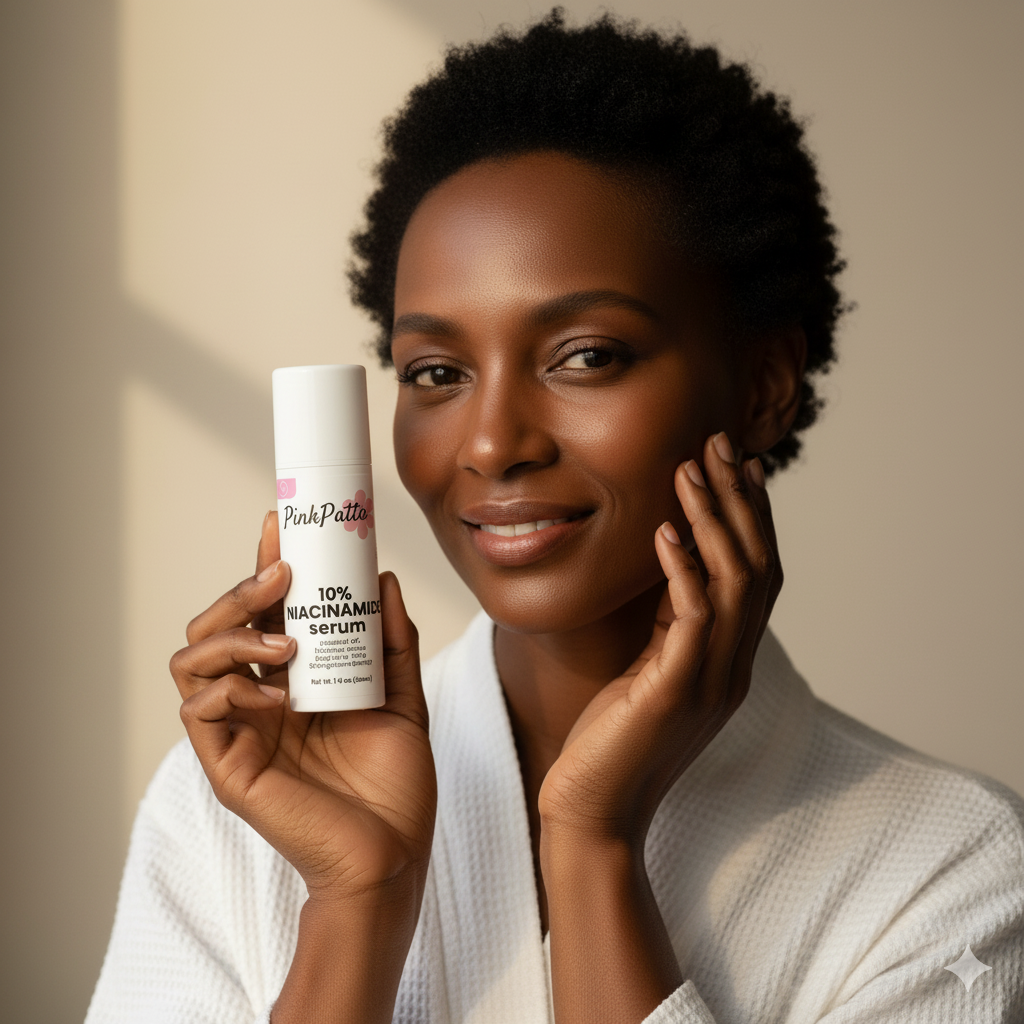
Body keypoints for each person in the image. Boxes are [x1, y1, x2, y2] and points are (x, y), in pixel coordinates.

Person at [86, 10, 1024, 1023]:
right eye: (435, 372)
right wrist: (355, 902)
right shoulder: (238, 808)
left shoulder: (954, 864)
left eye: (586, 356)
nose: (492, 443)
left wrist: (592, 844)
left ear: (763, 388)